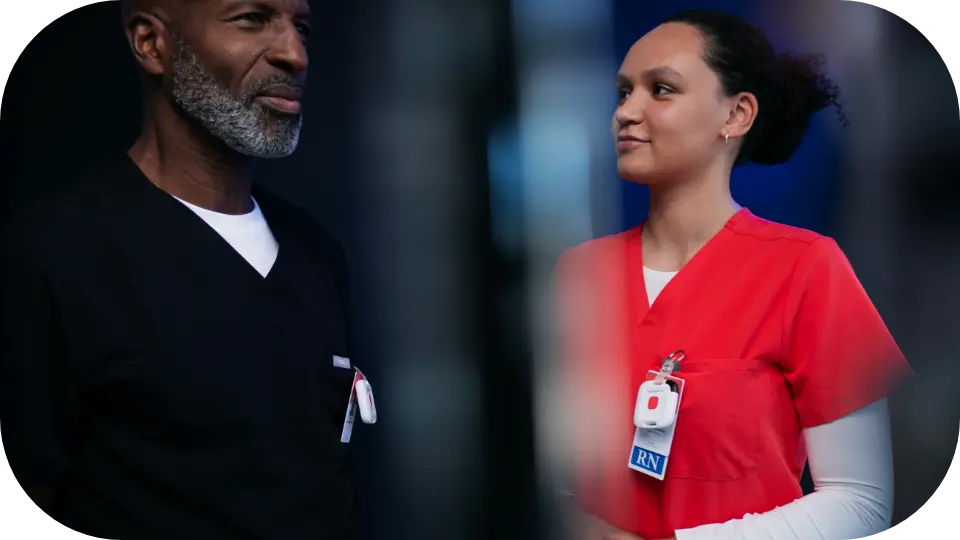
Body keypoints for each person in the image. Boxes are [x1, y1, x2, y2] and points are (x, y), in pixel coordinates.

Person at [0, 0, 366, 538]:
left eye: (302, 27)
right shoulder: (56, 257)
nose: (295, 54)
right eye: (252, 19)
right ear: (152, 43)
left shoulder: (316, 254)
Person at [554, 10, 912, 540]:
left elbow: (860, 505)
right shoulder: (576, 275)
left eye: (661, 89)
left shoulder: (806, 268)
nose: (626, 111)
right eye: (623, 92)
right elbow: (540, 470)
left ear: (737, 114)